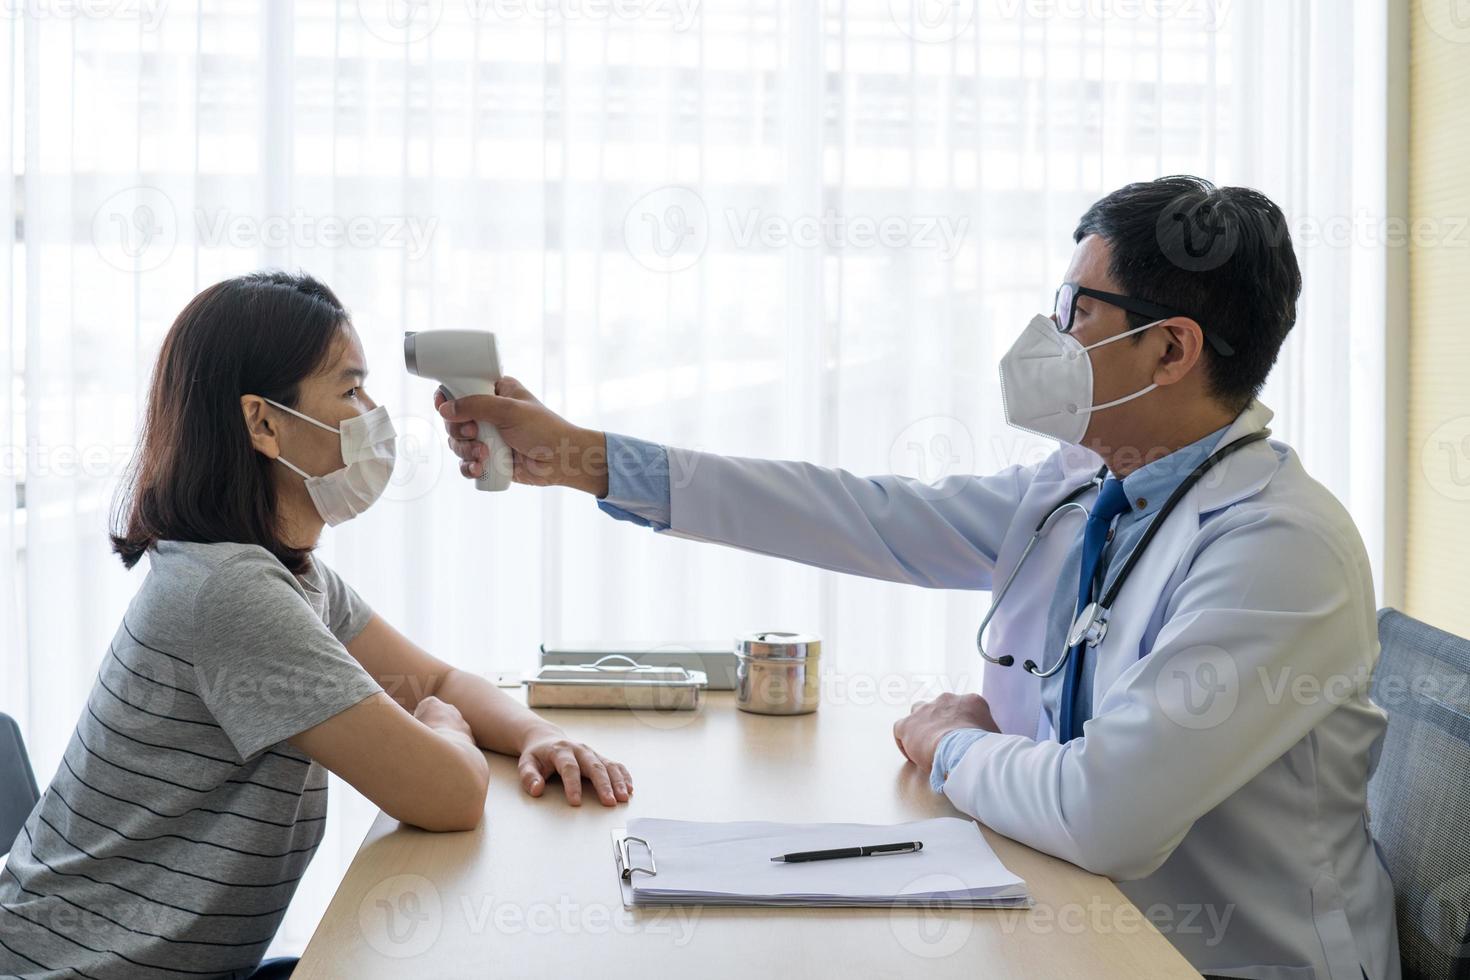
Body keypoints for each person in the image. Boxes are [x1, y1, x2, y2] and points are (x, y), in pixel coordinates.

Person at [433, 177, 1399, 979]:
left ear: (1171, 348)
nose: (1048, 334)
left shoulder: (1277, 548)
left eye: (1075, 310)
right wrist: (582, 458)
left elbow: (1108, 818)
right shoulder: (1084, 487)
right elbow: (865, 515)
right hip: (1076, 925)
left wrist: (948, 745)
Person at [0, 271, 631, 979]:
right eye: (351, 390)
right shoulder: (231, 597)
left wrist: (537, 734)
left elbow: (435, 679)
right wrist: (444, 725)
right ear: (263, 423)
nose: (374, 414)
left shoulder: (281, 575)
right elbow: (447, 793)